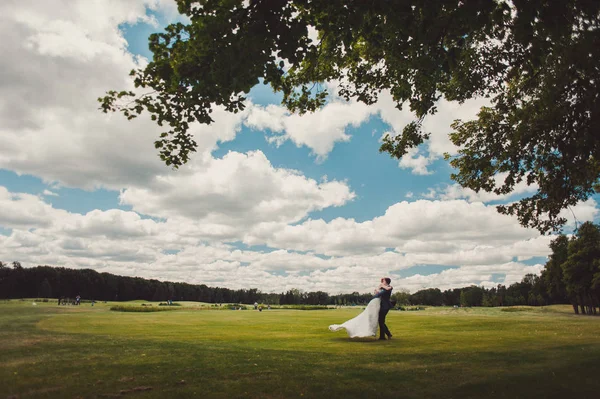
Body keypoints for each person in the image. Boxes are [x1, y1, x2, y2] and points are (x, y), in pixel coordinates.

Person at [329, 278, 393, 338]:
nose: (382, 282)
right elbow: (376, 294)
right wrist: (378, 289)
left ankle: (388, 334)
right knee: (380, 321)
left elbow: (379, 294)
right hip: (381, 306)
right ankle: (383, 336)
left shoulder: (389, 287)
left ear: (386, 282)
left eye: (383, 281)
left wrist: (379, 288)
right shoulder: (384, 288)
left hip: (385, 306)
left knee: (381, 321)